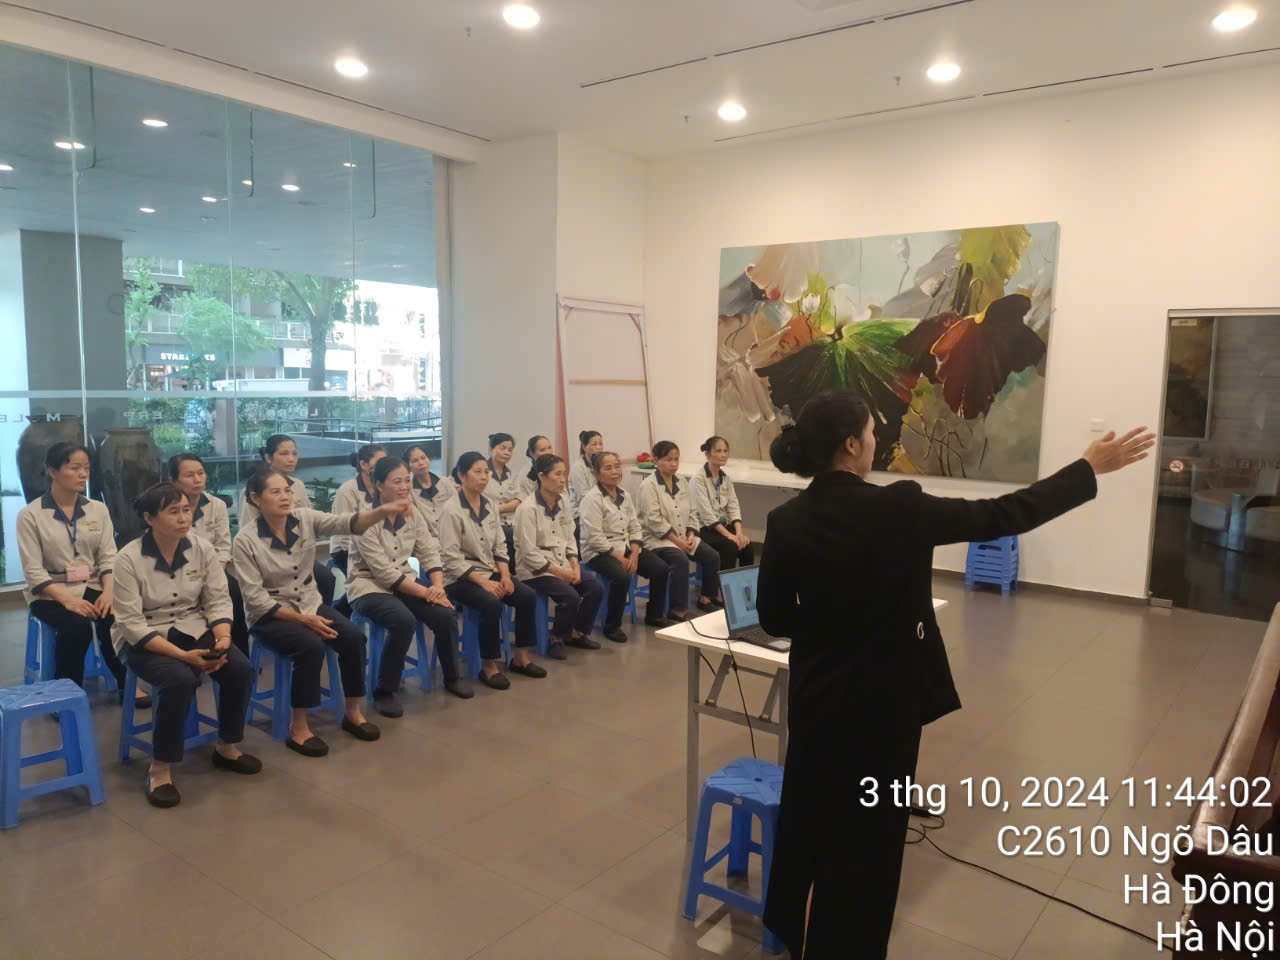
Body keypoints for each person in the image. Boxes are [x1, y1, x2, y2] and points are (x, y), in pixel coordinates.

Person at [755, 388, 1155, 959]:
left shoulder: (785, 521)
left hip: (818, 703)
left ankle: (794, 936)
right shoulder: (901, 507)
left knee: (809, 823)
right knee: (871, 844)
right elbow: (1003, 514)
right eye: (870, 432)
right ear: (851, 446)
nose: (875, 438)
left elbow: (773, 617)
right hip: (885, 711)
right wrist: (1086, 469)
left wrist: (829, 630)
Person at [112, 482, 262, 808]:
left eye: (186, 510)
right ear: (149, 518)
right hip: (144, 637)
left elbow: (217, 600)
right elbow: (131, 625)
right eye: (173, 512)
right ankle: (160, 768)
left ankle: (226, 746)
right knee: (179, 679)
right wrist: (184, 657)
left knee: (239, 668)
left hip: (193, 626)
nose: (183, 518)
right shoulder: (128, 558)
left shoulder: (201, 548)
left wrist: (224, 639)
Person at [233, 469, 406, 752]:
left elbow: (345, 522)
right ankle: (298, 726)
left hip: (309, 603)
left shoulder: (304, 518)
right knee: (310, 647)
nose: (285, 496)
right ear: (255, 498)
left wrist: (382, 511)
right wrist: (304, 620)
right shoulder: (245, 540)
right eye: (275, 492)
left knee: (353, 637)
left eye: (287, 490)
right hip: (270, 615)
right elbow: (256, 600)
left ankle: (353, 712)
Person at [17, 442, 143, 706]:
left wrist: (109, 592)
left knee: (117, 615)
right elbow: (33, 572)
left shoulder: (98, 509)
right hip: (49, 593)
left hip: (92, 584)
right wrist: (68, 601)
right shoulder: (30, 515)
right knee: (76, 626)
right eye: (74, 468)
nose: (83, 474)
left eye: (86, 468)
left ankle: (127, 683)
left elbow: (109, 556)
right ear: (52, 471)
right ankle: (65, 696)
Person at [347, 457, 474, 715]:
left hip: (405, 581)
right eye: (397, 482)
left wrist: (438, 586)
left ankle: (452, 677)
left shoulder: (412, 512)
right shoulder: (365, 519)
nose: (405, 487)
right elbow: (384, 574)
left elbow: (429, 551)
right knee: (402, 620)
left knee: (445, 614)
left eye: (407, 480)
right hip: (368, 586)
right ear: (379, 485)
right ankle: (385, 690)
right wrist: (428, 592)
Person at [439, 452, 545, 690]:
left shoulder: (489, 505)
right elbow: (450, 558)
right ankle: (489, 666)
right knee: (491, 603)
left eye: (486, 472)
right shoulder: (451, 510)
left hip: (489, 570)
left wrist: (505, 576)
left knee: (526, 596)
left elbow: (499, 545)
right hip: (459, 577)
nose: (484, 477)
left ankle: (520, 658)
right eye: (477, 472)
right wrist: (483, 582)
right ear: (461, 476)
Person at [513, 453, 604, 659]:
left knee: (595, 588)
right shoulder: (527, 509)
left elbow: (569, 537)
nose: (563, 480)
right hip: (535, 570)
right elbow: (529, 553)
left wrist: (574, 566)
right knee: (570, 597)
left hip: (562, 563)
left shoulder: (562, 501)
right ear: (541, 476)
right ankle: (556, 638)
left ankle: (577, 633)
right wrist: (560, 572)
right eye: (557, 475)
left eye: (564, 474)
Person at [580, 451, 674, 641]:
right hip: (598, 552)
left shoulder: (625, 495)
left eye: (617, 466)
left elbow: (635, 526)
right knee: (622, 576)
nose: (615, 471)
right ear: (597, 474)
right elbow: (594, 537)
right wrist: (621, 559)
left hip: (626, 546)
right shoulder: (592, 499)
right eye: (608, 468)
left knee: (661, 569)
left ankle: (654, 615)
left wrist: (635, 554)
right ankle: (611, 626)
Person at [237, 434, 337, 607]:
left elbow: (308, 521)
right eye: (284, 454)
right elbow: (248, 529)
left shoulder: (298, 485)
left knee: (326, 578)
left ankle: (319, 614)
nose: (291, 459)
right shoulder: (254, 488)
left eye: (294, 454)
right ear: (268, 458)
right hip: (270, 556)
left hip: (298, 553)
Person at [169, 452, 249, 656]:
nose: (197, 479)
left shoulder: (216, 505)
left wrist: (215, 573)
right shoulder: (167, 508)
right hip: (177, 572)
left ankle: (238, 653)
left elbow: (223, 546)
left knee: (233, 592)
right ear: (174, 481)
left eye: (201, 473)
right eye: (189, 475)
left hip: (213, 569)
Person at [636, 441, 721, 618]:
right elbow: (653, 520)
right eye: (668, 460)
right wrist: (678, 541)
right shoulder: (648, 485)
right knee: (680, 560)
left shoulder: (682, 481)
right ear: (656, 460)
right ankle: (677, 610)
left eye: (676, 459)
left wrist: (691, 533)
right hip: (658, 540)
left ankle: (706, 598)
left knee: (712, 556)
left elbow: (692, 511)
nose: (674, 464)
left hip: (683, 536)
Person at [690, 436, 754, 595]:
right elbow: (707, 515)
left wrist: (739, 533)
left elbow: (733, 506)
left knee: (747, 547)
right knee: (730, 546)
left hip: (721, 527)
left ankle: (745, 590)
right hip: (703, 528)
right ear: (707, 454)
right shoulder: (698, 479)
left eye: (725, 451)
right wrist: (730, 536)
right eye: (718, 451)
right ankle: (724, 592)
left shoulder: (725, 478)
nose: (723, 454)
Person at [329, 443, 387, 615]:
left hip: (375, 548)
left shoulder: (382, 487)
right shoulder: (347, 490)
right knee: (370, 584)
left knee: (386, 580)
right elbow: (343, 531)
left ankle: (337, 616)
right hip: (346, 550)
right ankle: (336, 616)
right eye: (380, 461)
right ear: (363, 464)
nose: (385, 466)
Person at [485, 432, 522, 562]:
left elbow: (518, 500)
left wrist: (497, 509)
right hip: (488, 522)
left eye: (510, 450)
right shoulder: (482, 472)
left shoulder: (512, 474)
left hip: (510, 523)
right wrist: (505, 507)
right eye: (502, 448)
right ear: (491, 449)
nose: (507, 452)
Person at [405, 444, 455, 537]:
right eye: (415, 461)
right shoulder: (409, 491)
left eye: (423, 458)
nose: (421, 463)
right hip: (430, 540)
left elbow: (458, 509)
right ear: (408, 467)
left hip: (453, 536)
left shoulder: (445, 482)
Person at [569, 430, 603, 528]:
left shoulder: (601, 465)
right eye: (594, 444)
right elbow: (583, 497)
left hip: (600, 509)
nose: (599, 447)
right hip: (580, 514)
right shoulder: (578, 467)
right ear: (584, 447)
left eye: (601, 444)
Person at [517, 434, 553, 501]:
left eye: (549, 448)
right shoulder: (526, 473)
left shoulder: (555, 467)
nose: (548, 452)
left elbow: (564, 494)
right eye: (542, 450)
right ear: (532, 453)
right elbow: (528, 500)